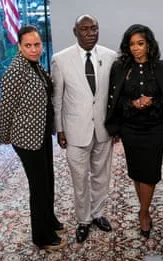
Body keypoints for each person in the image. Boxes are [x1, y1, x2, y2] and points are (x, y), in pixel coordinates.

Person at [0, 25, 66, 250]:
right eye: (28, 45)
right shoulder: (16, 70)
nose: (34, 49)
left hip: (42, 133)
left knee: (48, 180)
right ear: (19, 46)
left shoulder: (34, 65)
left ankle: (50, 220)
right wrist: (5, 136)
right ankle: (42, 236)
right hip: (27, 139)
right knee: (39, 186)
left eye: (37, 44)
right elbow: (5, 108)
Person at [51, 15, 117, 243]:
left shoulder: (110, 57)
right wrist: (59, 129)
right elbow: (57, 99)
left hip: (102, 129)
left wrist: (114, 124)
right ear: (75, 31)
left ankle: (98, 213)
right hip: (75, 130)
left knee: (101, 175)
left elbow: (112, 96)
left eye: (94, 28)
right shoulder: (60, 60)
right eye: (85, 29)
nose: (90, 33)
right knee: (80, 180)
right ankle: (83, 219)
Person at [105, 24, 163, 238]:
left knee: (150, 173)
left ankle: (143, 213)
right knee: (136, 171)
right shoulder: (120, 67)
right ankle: (144, 211)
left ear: (149, 44)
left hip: (155, 128)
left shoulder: (162, 67)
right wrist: (132, 104)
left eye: (140, 44)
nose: (135, 48)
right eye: (132, 44)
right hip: (130, 129)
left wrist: (151, 102)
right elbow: (115, 98)